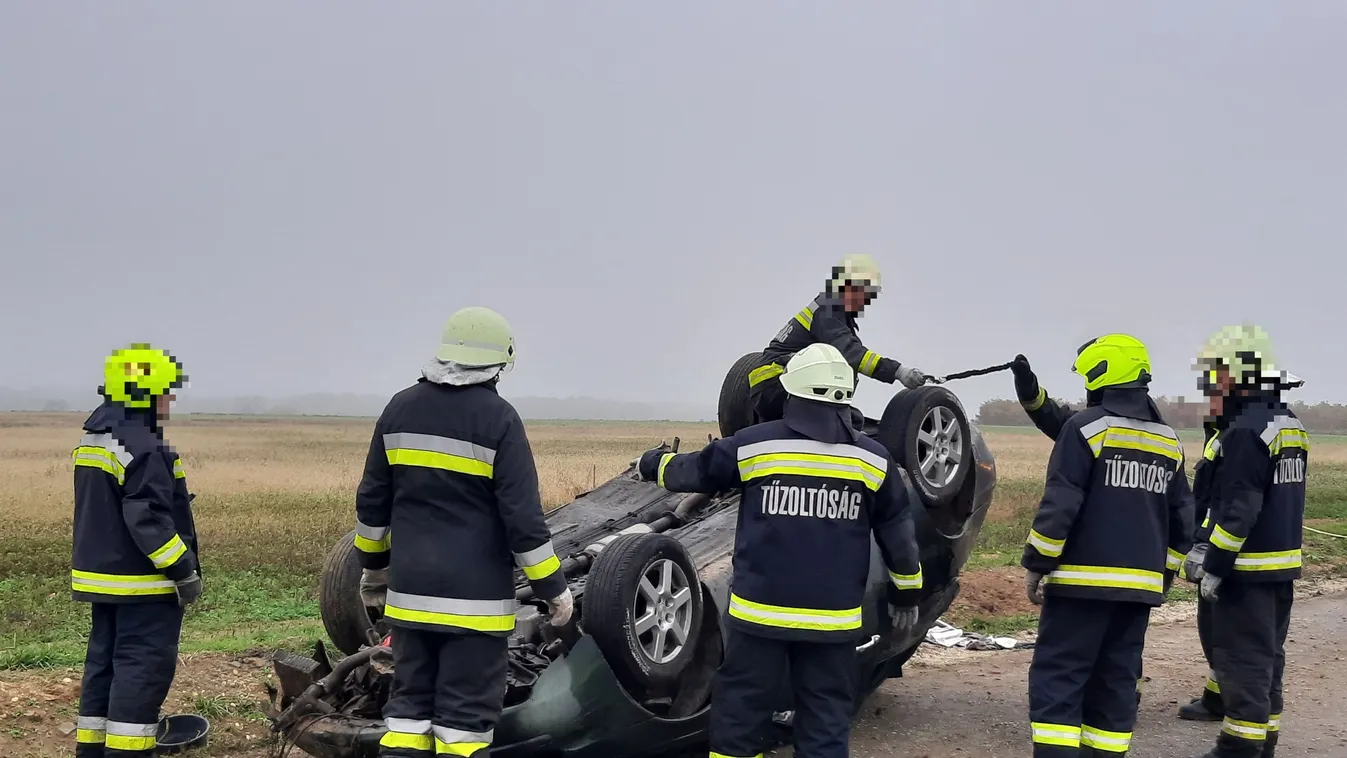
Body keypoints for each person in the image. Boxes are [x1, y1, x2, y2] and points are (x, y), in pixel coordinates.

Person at [634, 342, 923, 758]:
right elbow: (899, 533)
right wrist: (907, 594)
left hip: (760, 619)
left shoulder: (754, 446)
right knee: (825, 720)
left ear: (792, 393)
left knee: (741, 715)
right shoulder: (873, 461)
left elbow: (693, 470)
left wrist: (652, 463)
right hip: (832, 624)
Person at [353, 306, 574, 758]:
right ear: (499, 362)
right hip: (475, 610)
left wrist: (373, 570)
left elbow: (372, 506)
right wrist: (553, 589)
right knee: (463, 726)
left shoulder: (398, 408)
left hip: (410, 600)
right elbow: (523, 522)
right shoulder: (500, 420)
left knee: (408, 713)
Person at [1020, 334, 1194, 757]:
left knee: (1059, 679)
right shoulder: (1167, 440)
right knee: (1117, 681)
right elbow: (1184, 521)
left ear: (1100, 375)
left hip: (1081, 586)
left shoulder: (1086, 430)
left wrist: (1037, 563)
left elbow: (1061, 503)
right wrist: (1165, 574)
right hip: (1138, 592)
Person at [72, 344, 202, 758]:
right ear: (143, 392)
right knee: (140, 672)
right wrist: (183, 571)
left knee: (104, 670)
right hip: (143, 585)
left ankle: (92, 751)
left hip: (104, 581)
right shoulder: (143, 445)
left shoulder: (98, 436)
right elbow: (147, 520)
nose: (171, 398)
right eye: (166, 389)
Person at [1184, 324, 1308, 758]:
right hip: (1280, 567)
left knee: (1243, 663)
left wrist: (1214, 563)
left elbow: (1240, 509)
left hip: (1247, 571)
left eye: (1217, 376)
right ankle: (1264, 740)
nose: (1212, 385)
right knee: (1268, 660)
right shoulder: (1287, 424)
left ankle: (1238, 748)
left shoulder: (1243, 431)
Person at [748, 254, 928, 424]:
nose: (868, 300)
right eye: (868, 292)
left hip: (774, 387)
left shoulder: (831, 310)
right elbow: (853, 354)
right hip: (779, 388)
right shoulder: (828, 310)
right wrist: (898, 371)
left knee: (850, 420)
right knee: (848, 424)